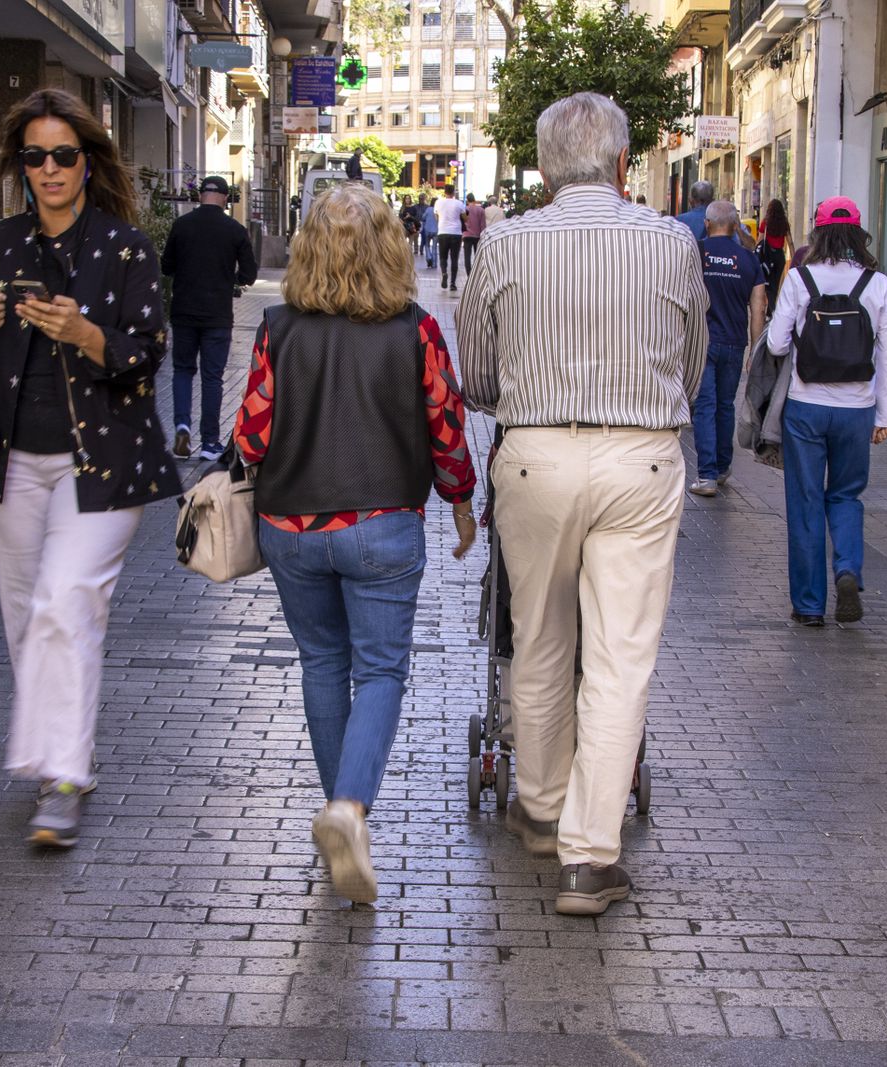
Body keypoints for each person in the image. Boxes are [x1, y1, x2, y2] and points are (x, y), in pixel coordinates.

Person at [457, 93, 708, 916]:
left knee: (536, 637)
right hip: (641, 457)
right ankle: (590, 856)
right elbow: (694, 365)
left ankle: (538, 805)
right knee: (619, 657)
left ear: (543, 166)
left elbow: (479, 376)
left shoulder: (503, 242)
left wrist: (528, 401)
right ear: (623, 164)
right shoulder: (674, 243)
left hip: (535, 454)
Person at [234, 182, 478, 904]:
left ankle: (344, 813)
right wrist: (462, 501)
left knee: (321, 664)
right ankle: (348, 808)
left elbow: (251, 434)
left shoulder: (277, 327)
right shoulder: (416, 328)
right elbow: (446, 426)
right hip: (382, 526)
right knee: (379, 672)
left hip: (290, 528)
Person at [0, 89, 182, 847]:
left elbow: (148, 352)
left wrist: (87, 333)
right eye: (34, 156)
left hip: (105, 458)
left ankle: (59, 779)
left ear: (87, 163)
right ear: (19, 166)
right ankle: (66, 760)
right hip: (12, 461)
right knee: (28, 616)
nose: (48, 169)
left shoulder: (125, 247)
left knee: (65, 602)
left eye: (62, 155)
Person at [765, 196, 887, 628]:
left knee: (805, 502)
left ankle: (808, 606)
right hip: (857, 409)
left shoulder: (801, 279)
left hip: (806, 407)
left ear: (818, 233)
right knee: (845, 495)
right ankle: (847, 569)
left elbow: (776, 344)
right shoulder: (877, 284)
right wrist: (885, 416)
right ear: (860, 234)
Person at [161, 175, 259, 461]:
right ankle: (210, 442)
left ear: (200, 195)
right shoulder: (234, 230)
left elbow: (166, 265)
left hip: (183, 312)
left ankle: (182, 426)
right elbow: (250, 275)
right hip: (217, 314)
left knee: (182, 370)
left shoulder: (182, 226)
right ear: (225, 199)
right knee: (212, 377)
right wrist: (233, 279)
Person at [690, 201, 768, 497]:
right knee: (725, 405)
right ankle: (722, 468)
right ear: (735, 225)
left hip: (701, 342)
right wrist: (756, 349)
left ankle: (706, 475)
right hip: (735, 343)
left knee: (705, 407)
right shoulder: (748, 259)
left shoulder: (696, 252)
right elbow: (758, 307)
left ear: (708, 224)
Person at [755, 199, 792, 304]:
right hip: (780, 256)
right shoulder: (784, 223)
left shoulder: (765, 222)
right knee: (776, 283)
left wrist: (755, 253)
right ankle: (772, 309)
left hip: (767, 256)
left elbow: (760, 240)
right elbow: (790, 242)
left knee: (768, 283)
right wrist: (794, 258)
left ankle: (771, 310)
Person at [434, 184, 466, 290]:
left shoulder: (438, 202)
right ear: (454, 192)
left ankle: (444, 273)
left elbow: (436, 217)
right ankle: (453, 283)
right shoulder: (459, 203)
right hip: (456, 233)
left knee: (443, 257)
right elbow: (465, 218)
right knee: (454, 258)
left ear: (444, 192)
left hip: (443, 232)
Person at [461, 192, 487, 277]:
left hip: (466, 235)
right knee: (477, 256)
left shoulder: (464, 209)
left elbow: (462, 223)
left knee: (467, 256)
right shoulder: (481, 210)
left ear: (467, 200)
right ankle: (477, 274)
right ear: (474, 200)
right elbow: (483, 225)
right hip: (477, 236)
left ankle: (469, 274)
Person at [419, 194, 439, 269]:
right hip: (436, 230)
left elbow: (423, 217)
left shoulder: (428, 209)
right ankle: (434, 264)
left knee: (427, 245)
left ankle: (429, 257)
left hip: (427, 230)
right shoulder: (438, 210)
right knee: (434, 247)